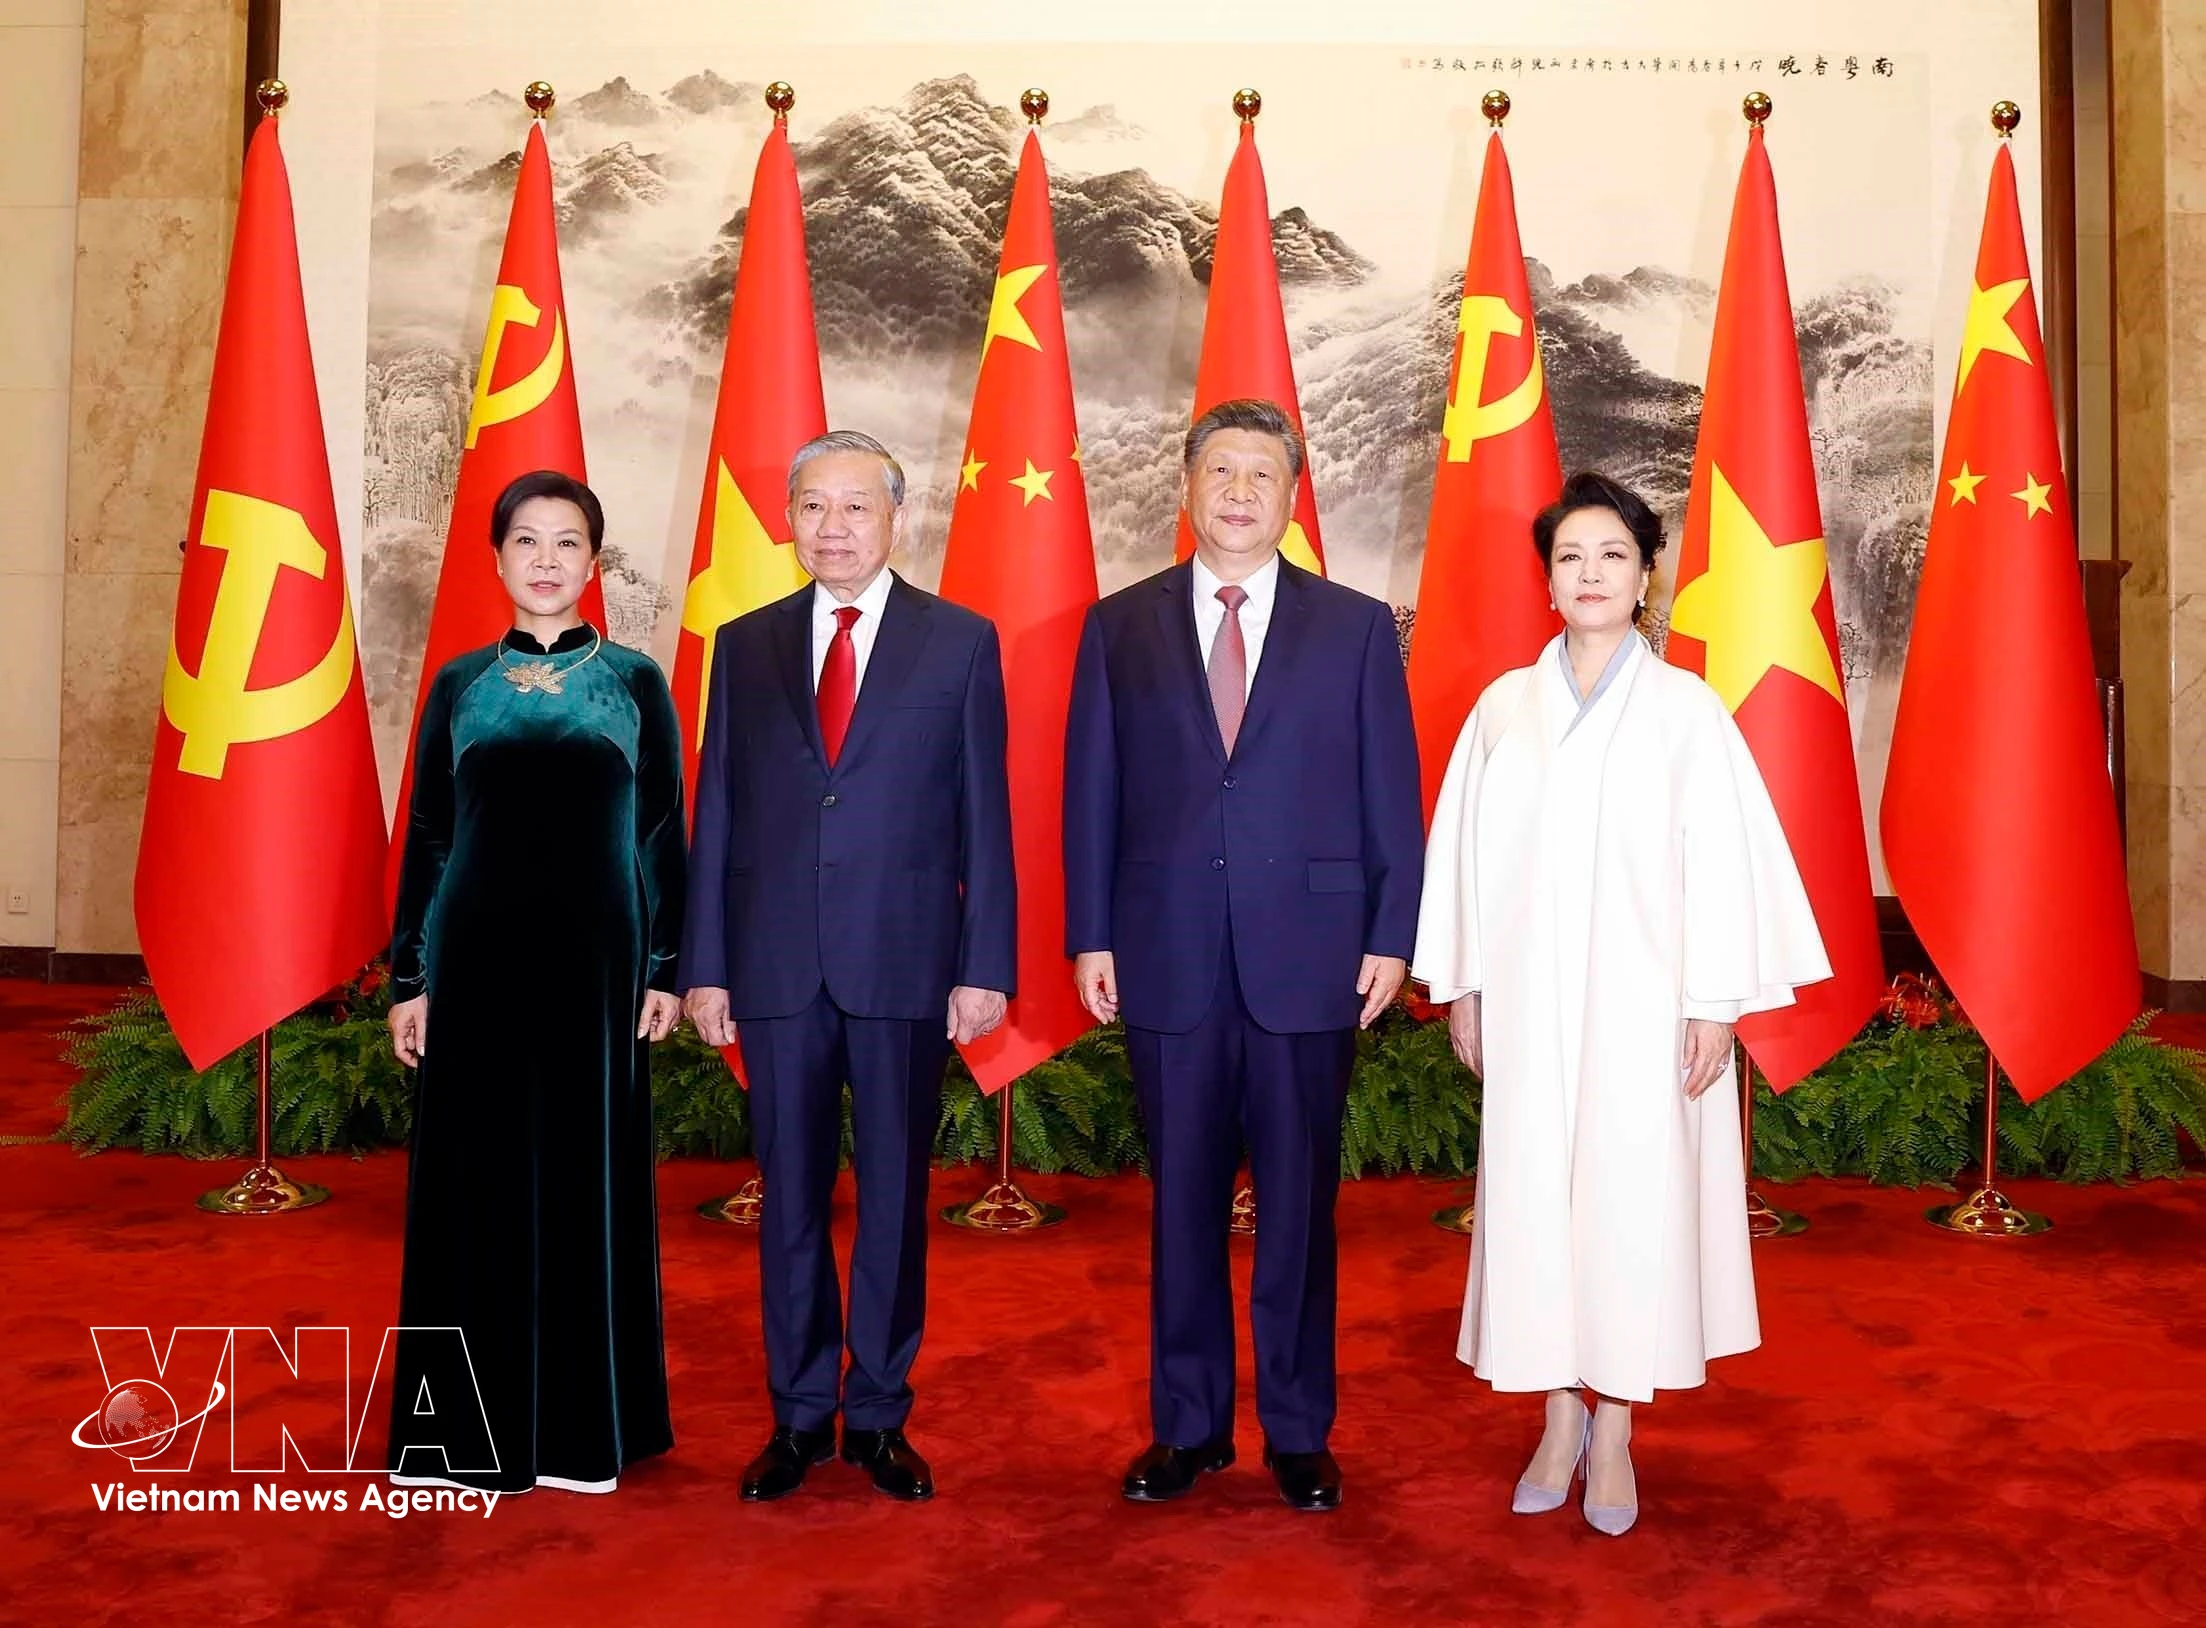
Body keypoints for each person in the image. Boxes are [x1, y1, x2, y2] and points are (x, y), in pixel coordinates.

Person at [1413, 471, 1830, 1535]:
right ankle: (1557, 1414)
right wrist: (1463, 985)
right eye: (1570, 557)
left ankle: (1615, 1429)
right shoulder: (1502, 710)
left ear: (1645, 576)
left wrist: (1714, 1002)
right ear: (1547, 580)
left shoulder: (1688, 712)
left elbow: (1727, 865)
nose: (1590, 573)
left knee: (1632, 1208)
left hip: (1648, 1012)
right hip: (1527, 1004)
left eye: (1612, 555)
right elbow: (1459, 858)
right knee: (1537, 1202)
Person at [1062, 397, 1424, 1513]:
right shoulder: (1119, 625)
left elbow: (1390, 793)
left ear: (1291, 495)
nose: (1238, 491)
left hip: (1311, 958)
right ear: (1187, 486)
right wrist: (1090, 932)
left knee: (1299, 1208)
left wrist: (1391, 934)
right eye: (1220, 470)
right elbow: (1092, 790)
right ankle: (1189, 1428)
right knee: (1181, 1204)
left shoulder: (1355, 626)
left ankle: (1300, 1432)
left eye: (1262, 474)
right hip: (1165, 953)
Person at [680, 430, 1015, 1505]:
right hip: (774, 966)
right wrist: (706, 965)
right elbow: (719, 811)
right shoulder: (745, 644)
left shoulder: (959, 642)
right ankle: (796, 1415)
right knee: (787, 1198)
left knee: (893, 1200)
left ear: (895, 518)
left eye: (856, 506)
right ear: (790, 519)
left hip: (905, 963)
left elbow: (986, 816)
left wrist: (985, 962)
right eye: (814, 506)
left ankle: (876, 1413)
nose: (833, 527)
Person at [384, 470, 686, 1496]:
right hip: (474, 962)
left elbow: (661, 833)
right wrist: (410, 977)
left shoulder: (637, 682)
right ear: (498, 557)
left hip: (599, 969)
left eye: (567, 542)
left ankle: (580, 1432)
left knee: (585, 1178)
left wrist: (667, 967)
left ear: (592, 562)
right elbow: (429, 834)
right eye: (526, 540)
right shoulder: (459, 683)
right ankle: (463, 1433)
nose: (546, 559)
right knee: (472, 1180)